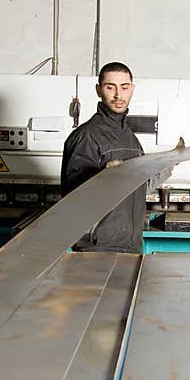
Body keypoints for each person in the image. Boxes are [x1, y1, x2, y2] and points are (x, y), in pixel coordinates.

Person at [60, 61, 145, 253]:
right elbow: (73, 194)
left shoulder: (131, 138)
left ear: (132, 89)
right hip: (98, 248)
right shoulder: (86, 136)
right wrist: (102, 176)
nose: (118, 95)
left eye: (124, 87)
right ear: (99, 90)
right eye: (110, 87)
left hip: (130, 245)